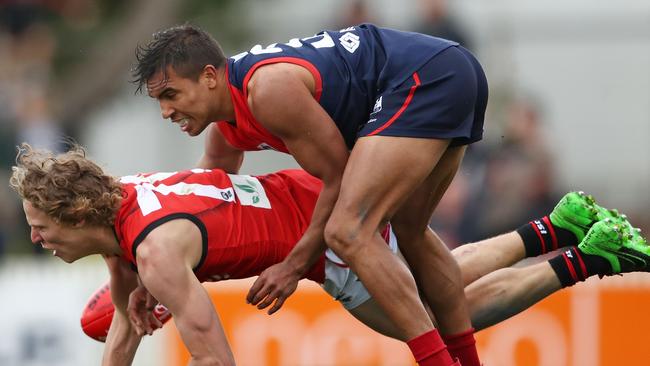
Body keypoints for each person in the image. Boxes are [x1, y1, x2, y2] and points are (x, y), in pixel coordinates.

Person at [11, 143, 649, 365]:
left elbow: (213, 355)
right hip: (307, 195)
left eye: (40, 226)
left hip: (319, 242)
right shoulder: (120, 201)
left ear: (75, 213)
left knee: (441, 314)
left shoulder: (152, 254)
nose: (36, 238)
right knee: (441, 275)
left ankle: (589, 256)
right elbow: (123, 327)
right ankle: (557, 225)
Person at [133, 23, 488, 365]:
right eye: (159, 101)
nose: (166, 111)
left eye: (171, 95)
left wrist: (293, 266)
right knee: (409, 230)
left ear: (209, 77)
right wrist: (163, 280)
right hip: (447, 69)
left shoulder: (267, 91)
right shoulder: (229, 121)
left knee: (347, 231)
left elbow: (337, 177)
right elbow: (202, 197)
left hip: (428, 77)